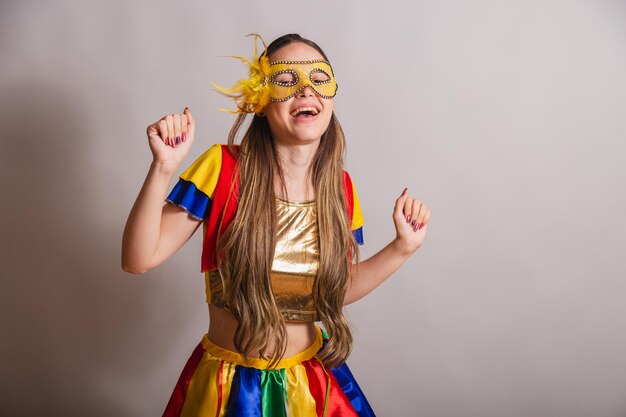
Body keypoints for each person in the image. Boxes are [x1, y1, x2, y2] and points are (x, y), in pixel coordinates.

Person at [122, 33, 431, 417]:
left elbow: (332, 291)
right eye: (286, 81)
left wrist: (402, 247)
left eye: (319, 79)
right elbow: (138, 259)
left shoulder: (341, 189)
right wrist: (162, 168)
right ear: (261, 102)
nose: (306, 89)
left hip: (313, 385)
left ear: (331, 96)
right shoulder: (222, 169)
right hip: (232, 389)